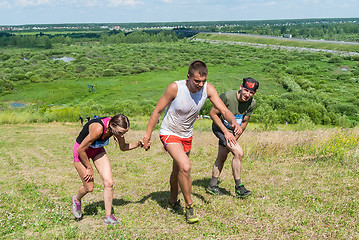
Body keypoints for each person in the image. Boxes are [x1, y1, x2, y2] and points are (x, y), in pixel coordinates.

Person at [142, 60, 241, 223]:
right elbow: (157, 111)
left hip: (186, 135)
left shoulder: (208, 89)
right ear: (188, 77)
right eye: (196, 81)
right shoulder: (176, 88)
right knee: (186, 166)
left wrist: (234, 122)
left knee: (178, 170)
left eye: (203, 81)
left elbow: (224, 110)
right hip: (169, 132)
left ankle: (172, 202)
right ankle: (189, 207)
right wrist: (146, 136)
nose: (200, 85)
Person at [72, 114, 143, 225]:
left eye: (124, 133)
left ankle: (108, 217)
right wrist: (89, 167)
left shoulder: (116, 129)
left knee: (109, 182)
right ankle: (77, 200)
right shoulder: (98, 128)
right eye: (120, 133)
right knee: (89, 187)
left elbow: (123, 147)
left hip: (97, 150)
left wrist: (138, 144)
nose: (121, 135)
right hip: (81, 152)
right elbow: (81, 149)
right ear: (112, 126)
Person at [206, 77, 259, 198]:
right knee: (238, 152)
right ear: (241, 87)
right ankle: (239, 187)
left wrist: (236, 136)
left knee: (222, 156)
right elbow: (212, 114)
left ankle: (212, 185)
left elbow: (245, 121)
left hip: (232, 132)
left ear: (254, 93)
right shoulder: (227, 97)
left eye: (251, 92)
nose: (247, 94)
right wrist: (226, 132)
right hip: (220, 128)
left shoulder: (252, 103)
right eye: (246, 90)